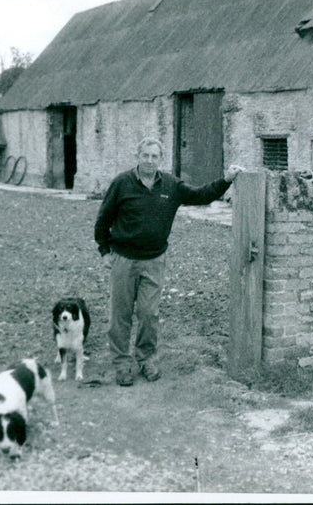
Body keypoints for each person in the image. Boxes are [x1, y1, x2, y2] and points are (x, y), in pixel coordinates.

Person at [94, 136, 243, 386]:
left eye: (154, 156)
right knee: (120, 314)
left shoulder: (171, 185)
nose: (150, 160)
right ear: (137, 157)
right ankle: (122, 363)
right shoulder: (122, 183)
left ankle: (145, 359)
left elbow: (201, 196)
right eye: (145, 155)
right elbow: (103, 219)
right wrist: (105, 252)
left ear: (160, 159)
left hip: (154, 260)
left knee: (149, 313)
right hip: (123, 260)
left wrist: (226, 180)